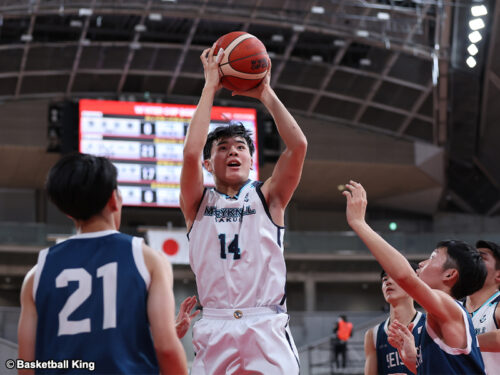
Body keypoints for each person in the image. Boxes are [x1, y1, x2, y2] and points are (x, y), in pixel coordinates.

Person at [179, 43, 307, 374]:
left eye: (240, 147)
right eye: (223, 148)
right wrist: (210, 86)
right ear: (209, 163)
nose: (233, 152)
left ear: (251, 160)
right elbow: (190, 153)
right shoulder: (197, 202)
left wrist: (265, 93)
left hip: (265, 323)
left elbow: (298, 146)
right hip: (215, 324)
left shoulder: (270, 196)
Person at [17, 153, 188, 374]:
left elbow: (26, 366)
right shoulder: (148, 259)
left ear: (67, 212)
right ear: (113, 200)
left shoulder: (36, 275)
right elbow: (165, 348)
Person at [343, 180, 486, 375]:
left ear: (450, 274)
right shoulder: (438, 318)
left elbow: (405, 277)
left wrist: (359, 223)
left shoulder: (449, 306)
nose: (421, 263)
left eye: (433, 257)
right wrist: (413, 361)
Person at [364, 266, 425, 375]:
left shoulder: (430, 325)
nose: (388, 282)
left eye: (395, 278)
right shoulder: (373, 335)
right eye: (385, 279)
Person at [462, 240, 500, 374]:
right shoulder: (455, 306)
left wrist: (463, 343)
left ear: (499, 275)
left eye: (481, 258)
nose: (473, 261)